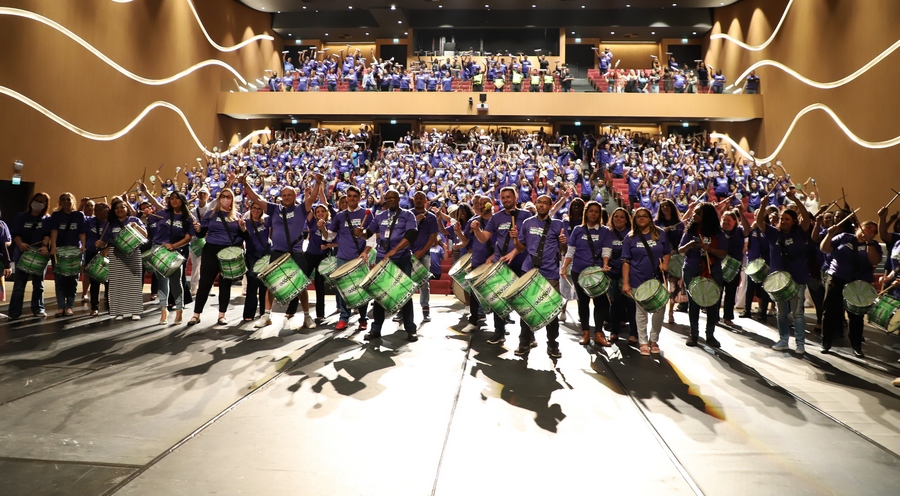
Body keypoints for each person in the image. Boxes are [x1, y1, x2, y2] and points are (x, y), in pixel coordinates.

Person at [243, 174, 322, 330]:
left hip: (296, 252)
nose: (286, 197)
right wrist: (245, 184)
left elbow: (313, 197)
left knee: (301, 286)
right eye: (284, 195)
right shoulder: (274, 209)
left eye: (289, 195)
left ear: (295, 196)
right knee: (272, 284)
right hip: (278, 252)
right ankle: (266, 315)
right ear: (281, 196)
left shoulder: (301, 208)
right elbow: (257, 199)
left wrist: (318, 182)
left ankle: (306, 316)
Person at [501, 195, 566, 357]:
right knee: (526, 310)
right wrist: (515, 239)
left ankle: (553, 345)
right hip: (528, 270)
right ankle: (524, 342)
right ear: (536, 205)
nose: (541, 205)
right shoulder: (527, 223)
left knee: (551, 311)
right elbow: (521, 248)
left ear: (551, 206)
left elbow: (563, 250)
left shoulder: (558, 224)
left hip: (550, 272)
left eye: (545, 203)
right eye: (539, 202)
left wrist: (563, 241)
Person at [359, 189, 419, 342]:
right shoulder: (380, 216)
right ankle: (376, 329)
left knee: (404, 294)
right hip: (382, 258)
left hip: (401, 258)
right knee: (379, 294)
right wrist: (359, 233)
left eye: (393, 197)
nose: (390, 200)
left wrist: (395, 251)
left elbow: (411, 235)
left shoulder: (408, 215)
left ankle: (411, 329)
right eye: (388, 198)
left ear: (399, 199)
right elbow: (368, 233)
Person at [472, 187, 529, 346]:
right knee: (498, 299)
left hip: (520, 263)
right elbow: (484, 238)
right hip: (501, 263)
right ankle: (499, 332)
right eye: (503, 197)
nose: (505, 200)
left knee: (524, 301)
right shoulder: (496, 218)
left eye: (508, 197)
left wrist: (515, 251)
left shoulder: (526, 216)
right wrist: (477, 230)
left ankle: (527, 336)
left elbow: (528, 241)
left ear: (515, 197)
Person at [757, 193, 811, 354]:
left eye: (787, 219)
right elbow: (760, 222)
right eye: (782, 218)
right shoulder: (774, 233)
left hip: (797, 277)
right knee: (781, 313)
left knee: (797, 313)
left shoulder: (800, 232)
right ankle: (783, 339)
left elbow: (807, 218)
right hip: (779, 279)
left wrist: (795, 200)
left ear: (794, 221)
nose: (784, 221)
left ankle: (800, 343)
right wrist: (762, 206)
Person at [820, 219, 882, 357]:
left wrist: (869, 243)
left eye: (873, 232)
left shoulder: (873, 245)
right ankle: (826, 342)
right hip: (837, 277)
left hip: (859, 282)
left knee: (856, 316)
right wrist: (829, 235)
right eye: (868, 229)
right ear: (859, 228)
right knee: (829, 311)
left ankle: (856, 346)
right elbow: (825, 249)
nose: (870, 232)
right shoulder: (844, 237)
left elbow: (874, 260)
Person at [188, 189, 248, 326]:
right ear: (219, 199)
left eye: (228, 197)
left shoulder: (237, 216)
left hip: (229, 252)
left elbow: (245, 237)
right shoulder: (210, 214)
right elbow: (201, 234)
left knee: (225, 285)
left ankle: (222, 315)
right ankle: (196, 315)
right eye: (223, 197)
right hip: (210, 251)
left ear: (232, 200)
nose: (225, 199)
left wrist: (243, 229)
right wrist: (198, 229)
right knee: (204, 284)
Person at [561, 201, 612, 347]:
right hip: (579, 271)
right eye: (591, 211)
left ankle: (598, 334)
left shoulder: (605, 231)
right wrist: (564, 266)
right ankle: (585, 333)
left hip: (597, 272)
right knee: (582, 302)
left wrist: (606, 263)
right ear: (586, 213)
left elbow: (606, 250)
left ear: (599, 214)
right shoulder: (578, 230)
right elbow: (571, 250)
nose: (594, 214)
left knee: (600, 303)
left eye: (596, 211)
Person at [141, 187, 194, 325]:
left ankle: (179, 310)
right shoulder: (163, 213)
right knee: (162, 281)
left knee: (176, 282)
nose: (174, 200)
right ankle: (163, 310)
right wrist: (146, 192)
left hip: (175, 251)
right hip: (158, 248)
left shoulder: (188, 217)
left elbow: (189, 237)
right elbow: (153, 206)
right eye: (171, 198)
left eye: (177, 198)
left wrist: (174, 246)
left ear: (182, 200)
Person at [622, 207, 671, 355]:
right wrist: (625, 282)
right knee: (641, 312)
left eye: (644, 216)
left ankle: (653, 339)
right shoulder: (629, 238)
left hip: (657, 278)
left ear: (650, 218)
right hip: (638, 278)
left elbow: (667, 252)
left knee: (659, 310)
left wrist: (665, 264)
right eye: (638, 217)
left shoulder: (660, 234)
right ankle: (643, 341)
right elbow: (626, 261)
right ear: (634, 220)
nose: (642, 219)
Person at [325, 186, 374, 331]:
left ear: (359, 198)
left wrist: (365, 252)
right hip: (342, 258)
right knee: (343, 290)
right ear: (346, 197)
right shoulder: (340, 216)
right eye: (349, 196)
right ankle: (343, 318)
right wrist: (322, 228)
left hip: (359, 258)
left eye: (355, 196)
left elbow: (372, 237)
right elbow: (329, 236)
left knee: (362, 290)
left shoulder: (367, 214)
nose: (352, 198)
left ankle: (363, 318)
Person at [679, 202, 727, 347]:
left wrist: (710, 249)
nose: (694, 215)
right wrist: (689, 245)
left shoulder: (718, 233)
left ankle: (710, 334)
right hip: (692, 269)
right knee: (693, 303)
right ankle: (693, 334)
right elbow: (681, 250)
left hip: (713, 271)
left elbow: (723, 252)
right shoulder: (690, 231)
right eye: (694, 213)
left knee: (713, 303)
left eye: (698, 213)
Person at [100, 198, 147, 320]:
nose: (120, 210)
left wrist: (136, 226)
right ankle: (118, 312)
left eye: (122, 207)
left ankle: (135, 311)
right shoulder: (110, 223)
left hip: (134, 253)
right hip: (115, 254)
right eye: (117, 208)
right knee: (117, 284)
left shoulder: (134, 220)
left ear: (127, 209)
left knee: (134, 283)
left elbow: (145, 235)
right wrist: (100, 243)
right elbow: (105, 241)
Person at [7, 192, 51, 320]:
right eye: (36, 201)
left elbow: (48, 234)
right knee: (19, 285)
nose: (38, 204)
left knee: (39, 284)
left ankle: (38, 308)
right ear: (32, 201)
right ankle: (14, 311)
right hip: (23, 254)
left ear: (45, 205)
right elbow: (15, 233)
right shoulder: (22, 217)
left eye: (42, 202)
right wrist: (20, 244)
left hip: (39, 255)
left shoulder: (47, 219)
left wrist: (44, 245)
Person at [48, 192, 87, 317]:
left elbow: (82, 232)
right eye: (63, 200)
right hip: (59, 250)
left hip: (74, 250)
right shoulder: (56, 215)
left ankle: (70, 306)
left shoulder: (79, 215)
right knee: (59, 280)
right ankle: (60, 307)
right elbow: (54, 231)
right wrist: (53, 247)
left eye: (68, 199)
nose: (66, 202)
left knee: (72, 280)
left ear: (73, 201)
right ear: (60, 202)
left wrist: (83, 246)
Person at [607, 207, 638, 345]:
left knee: (631, 304)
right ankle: (614, 331)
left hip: (629, 274)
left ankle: (634, 333)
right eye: (616, 216)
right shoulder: (608, 233)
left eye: (621, 217)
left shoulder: (632, 234)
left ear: (627, 220)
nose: (618, 219)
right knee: (614, 303)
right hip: (612, 273)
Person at [410, 191, 439, 322]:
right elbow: (405, 232)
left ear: (425, 200)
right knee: (405, 282)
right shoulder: (408, 215)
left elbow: (433, 237)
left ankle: (425, 309)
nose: (419, 200)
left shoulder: (432, 217)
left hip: (424, 254)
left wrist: (422, 251)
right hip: (408, 254)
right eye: (417, 198)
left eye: (421, 198)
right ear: (413, 200)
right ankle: (403, 309)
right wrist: (415, 221)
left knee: (424, 283)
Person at [655, 199, 684, 323]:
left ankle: (671, 311)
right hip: (661, 257)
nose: (665, 208)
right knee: (662, 284)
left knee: (673, 285)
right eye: (662, 206)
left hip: (675, 257)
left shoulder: (679, 223)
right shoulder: (657, 223)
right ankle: (659, 308)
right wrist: (661, 233)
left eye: (667, 206)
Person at [244, 202, 271, 324]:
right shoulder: (245, 222)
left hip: (265, 254)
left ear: (262, 211)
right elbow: (242, 236)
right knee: (252, 283)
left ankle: (264, 313)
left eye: (259, 209)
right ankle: (249, 313)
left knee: (264, 284)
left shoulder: (266, 221)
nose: (256, 210)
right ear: (250, 209)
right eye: (254, 208)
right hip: (251, 255)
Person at [719, 208, 745, 326]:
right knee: (717, 291)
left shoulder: (740, 231)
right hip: (719, 265)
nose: (726, 222)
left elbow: (748, 230)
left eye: (728, 220)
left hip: (734, 266)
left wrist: (742, 213)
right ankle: (714, 317)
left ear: (735, 221)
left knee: (730, 292)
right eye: (724, 220)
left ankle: (728, 317)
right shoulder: (718, 232)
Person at [84, 202, 109, 316]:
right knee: (94, 281)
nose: (96, 212)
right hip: (92, 253)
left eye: (99, 210)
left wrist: (106, 246)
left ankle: (109, 305)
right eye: (96, 210)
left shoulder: (110, 223)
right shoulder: (90, 221)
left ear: (107, 210)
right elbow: (79, 216)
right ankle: (94, 307)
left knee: (109, 282)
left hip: (107, 254)